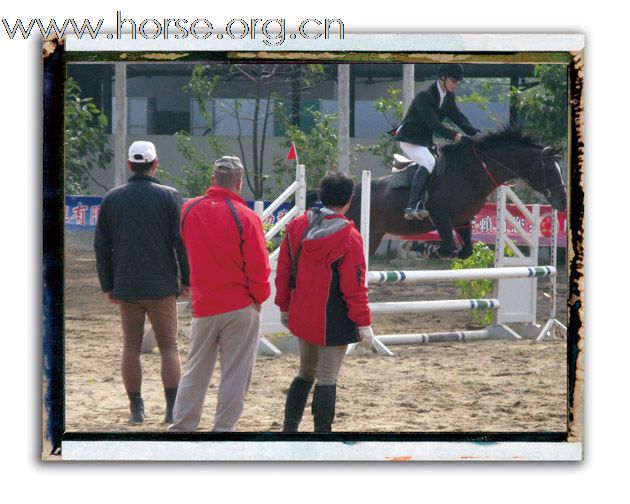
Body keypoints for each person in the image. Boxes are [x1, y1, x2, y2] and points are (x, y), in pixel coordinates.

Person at [168, 156, 271, 432]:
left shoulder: (188, 210)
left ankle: (183, 424)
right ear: (239, 184)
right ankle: (223, 428)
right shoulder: (247, 217)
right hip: (239, 304)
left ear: (212, 180)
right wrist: (258, 299)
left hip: (204, 303)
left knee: (196, 369)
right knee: (236, 372)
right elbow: (259, 267)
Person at [94, 140, 190, 425]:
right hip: (161, 285)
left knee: (131, 346)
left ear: (129, 165)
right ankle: (171, 409)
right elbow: (181, 243)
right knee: (169, 346)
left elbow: (101, 246)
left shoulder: (112, 198)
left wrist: (107, 284)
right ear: (155, 164)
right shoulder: (169, 196)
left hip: (126, 284)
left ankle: (137, 408)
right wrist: (187, 279)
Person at [275, 171, 374, 433]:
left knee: (305, 371)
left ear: (321, 195)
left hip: (302, 312)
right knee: (327, 377)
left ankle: (289, 428)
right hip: (332, 318)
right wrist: (364, 323)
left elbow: (284, 270)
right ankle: (322, 435)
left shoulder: (296, 226)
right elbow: (354, 287)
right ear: (349, 200)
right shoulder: (349, 236)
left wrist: (284, 305)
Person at [395, 63, 480, 220]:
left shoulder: (448, 97)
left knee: (442, 164)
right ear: (443, 78)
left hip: (424, 141)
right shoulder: (424, 97)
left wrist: (476, 134)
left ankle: (425, 203)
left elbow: (458, 117)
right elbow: (434, 124)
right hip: (409, 139)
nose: (456, 85)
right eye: (454, 81)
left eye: (457, 82)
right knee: (428, 162)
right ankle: (412, 205)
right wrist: (457, 136)